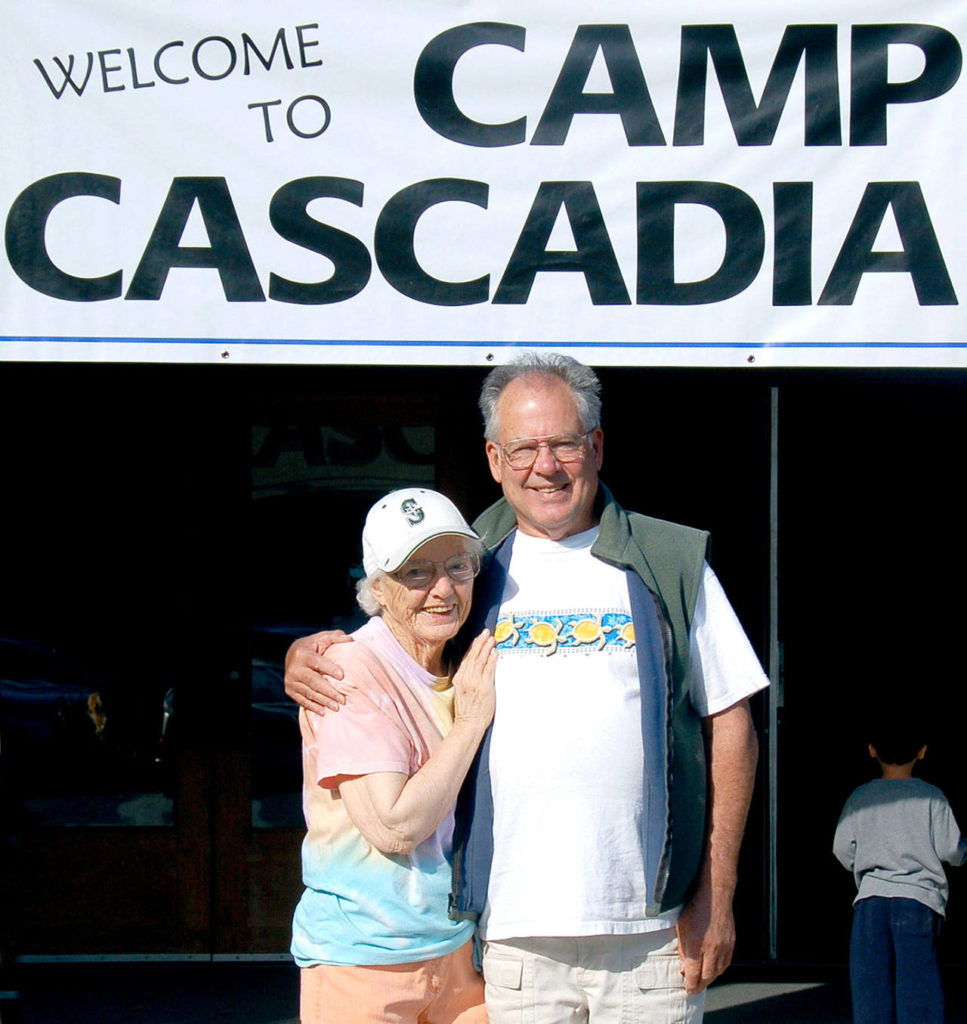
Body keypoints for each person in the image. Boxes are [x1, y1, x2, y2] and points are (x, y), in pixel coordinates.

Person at [286, 353, 768, 1023]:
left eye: (563, 443)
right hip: (508, 942)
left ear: (595, 446)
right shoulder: (468, 562)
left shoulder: (669, 562)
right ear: (493, 458)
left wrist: (716, 891)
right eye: (523, 448)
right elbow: (395, 628)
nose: (545, 465)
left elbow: (732, 721)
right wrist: (307, 650)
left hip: (651, 935)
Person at [291, 487, 496, 1024]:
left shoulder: (464, 657)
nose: (444, 589)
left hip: (458, 956)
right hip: (364, 964)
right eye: (417, 572)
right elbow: (395, 825)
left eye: (458, 566)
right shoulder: (347, 671)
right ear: (377, 586)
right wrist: (472, 722)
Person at [833, 724, 967, 1024]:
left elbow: (842, 849)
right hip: (918, 901)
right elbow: (950, 850)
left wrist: (866, 862)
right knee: (918, 990)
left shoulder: (861, 796)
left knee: (871, 991)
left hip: (870, 903)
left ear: (872, 750)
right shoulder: (931, 797)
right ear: (922, 752)